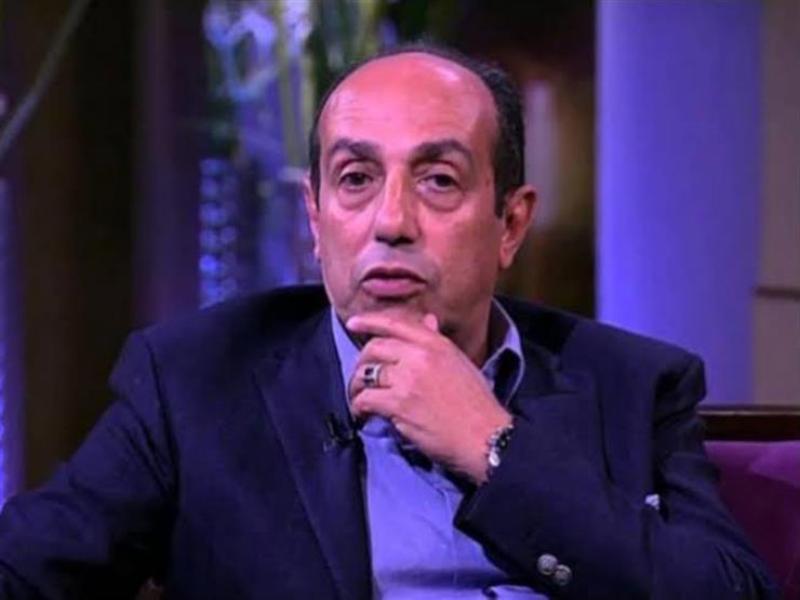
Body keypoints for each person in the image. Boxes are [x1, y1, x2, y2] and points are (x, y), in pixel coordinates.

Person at [0, 44, 777, 599]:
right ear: (316, 218)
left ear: (510, 223)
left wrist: (494, 447)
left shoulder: (633, 385)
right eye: (356, 178)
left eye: (438, 180)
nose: (392, 222)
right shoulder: (195, 382)